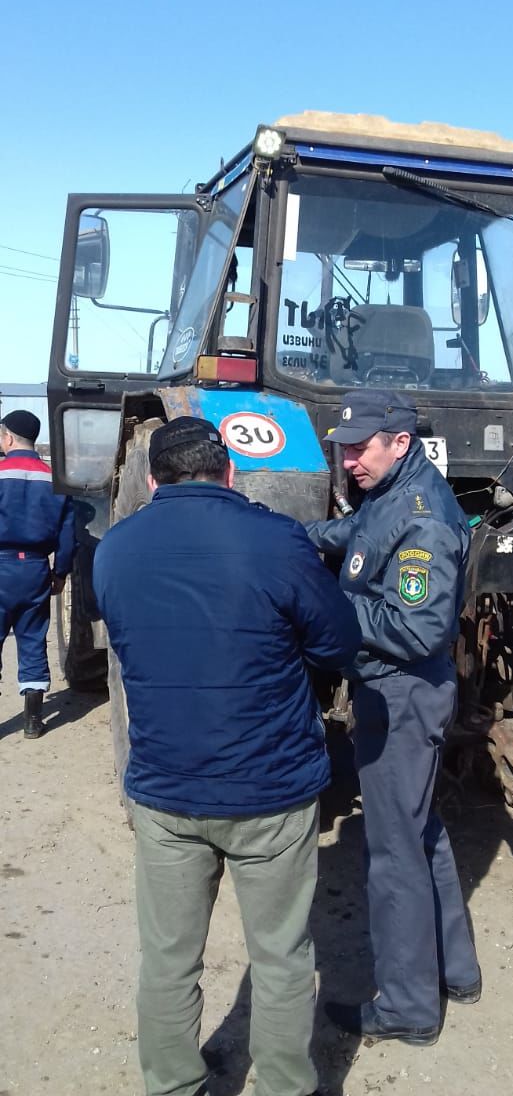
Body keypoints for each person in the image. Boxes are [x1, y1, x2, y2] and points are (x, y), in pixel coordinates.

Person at [92, 415, 362, 1096]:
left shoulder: (114, 550)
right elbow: (337, 644)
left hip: (164, 794)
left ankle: (173, 1086)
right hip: (270, 792)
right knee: (281, 958)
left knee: (168, 960)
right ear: (230, 471)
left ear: (152, 479)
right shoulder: (276, 541)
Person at [305, 389, 480, 1047]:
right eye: (343, 449)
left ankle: (407, 1008)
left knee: (394, 852)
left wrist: (329, 609)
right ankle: (455, 970)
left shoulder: (423, 519)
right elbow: (348, 536)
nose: (348, 460)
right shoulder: (387, 497)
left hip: (403, 695)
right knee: (419, 830)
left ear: (400, 441)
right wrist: (283, 535)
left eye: (360, 448)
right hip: (395, 692)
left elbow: (422, 627)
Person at [0, 408, 75, 738]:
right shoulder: (54, 479)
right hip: (34, 569)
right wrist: (60, 572)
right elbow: (68, 531)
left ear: (9, 437)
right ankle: (33, 721)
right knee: (32, 640)